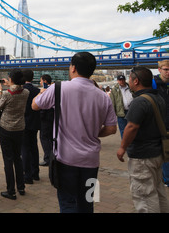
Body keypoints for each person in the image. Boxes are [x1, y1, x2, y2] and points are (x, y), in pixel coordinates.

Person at [32, 52, 117, 213]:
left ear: (73, 68)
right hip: (92, 161)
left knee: (67, 204)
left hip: (65, 160)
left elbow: (35, 106)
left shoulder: (58, 88)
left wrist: (41, 92)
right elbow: (112, 128)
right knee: (88, 202)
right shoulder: (103, 96)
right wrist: (90, 131)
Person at [117, 66, 169, 213]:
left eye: (130, 79)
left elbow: (131, 127)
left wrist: (122, 147)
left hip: (142, 156)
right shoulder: (158, 98)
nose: (128, 82)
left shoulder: (139, 102)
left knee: (145, 196)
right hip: (157, 152)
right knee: (158, 190)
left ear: (136, 81)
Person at [0, 69, 29, 200]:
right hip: (20, 128)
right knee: (17, 158)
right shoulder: (26, 92)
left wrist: (0, 90)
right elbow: (17, 89)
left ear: (11, 79)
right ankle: (21, 187)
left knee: (8, 160)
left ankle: (11, 191)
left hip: (6, 129)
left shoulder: (6, 94)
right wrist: (10, 84)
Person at [22, 69, 41, 184]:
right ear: (33, 78)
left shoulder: (22, 90)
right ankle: (36, 173)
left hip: (23, 123)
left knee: (24, 149)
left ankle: (27, 176)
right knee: (34, 147)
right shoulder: (37, 90)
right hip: (34, 123)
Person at [152, 60, 169, 187]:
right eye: (166, 69)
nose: (168, 72)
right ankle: (165, 179)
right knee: (164, 152)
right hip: (159, 124)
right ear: (159, 70)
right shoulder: (153, 84)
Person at [39, 74, 53, 166]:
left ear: (44, 81)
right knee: (51, 138)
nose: (40, 82)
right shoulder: (54, 89)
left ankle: (47, 159)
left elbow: (41, 104)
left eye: (40, 81)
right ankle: (53, 158)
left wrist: (41, 93)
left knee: (44, 138)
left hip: (45, 118)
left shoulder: (45, 91)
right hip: (53, 117)